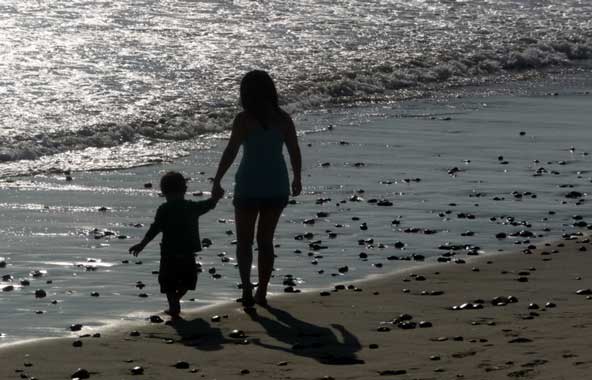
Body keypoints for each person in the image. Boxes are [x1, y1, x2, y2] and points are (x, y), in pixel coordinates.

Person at [212, 70, 302, 308]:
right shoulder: (284, 119)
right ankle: (261, 291)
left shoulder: (243, 120)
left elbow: (231, 151)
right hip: (276, 185)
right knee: (265, 241)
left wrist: (217, 179)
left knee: (244, 242)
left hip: (249, 186)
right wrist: (297, 178)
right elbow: (294, 151)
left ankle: (246, 290)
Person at [129, 171, 220, 319]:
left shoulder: (164, 209)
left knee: (167, 282)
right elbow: (209, 204)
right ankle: (176, 300)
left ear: (163, 192)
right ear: (185, 189)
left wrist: (141, 244)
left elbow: (155, 229)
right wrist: (216, 196)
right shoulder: (191, 207)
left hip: (169, 254)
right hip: (188, 253)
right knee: (188, 280)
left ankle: (173, 305)